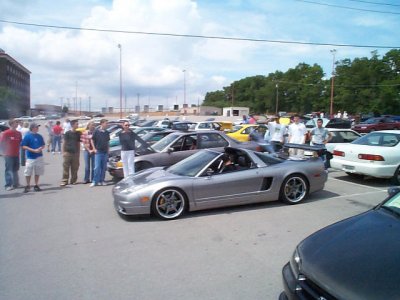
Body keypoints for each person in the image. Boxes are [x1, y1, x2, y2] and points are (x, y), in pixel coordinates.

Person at [20, 123, 45, 193]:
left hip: (39, 156)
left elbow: (43, 145)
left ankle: (36, 185)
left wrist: (41, 148)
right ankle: (28, 185)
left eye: (38, 127)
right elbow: (23, 146)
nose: (38, 128)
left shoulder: (39, 136)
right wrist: (33, 150)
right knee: (28, 172)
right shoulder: (27, 136)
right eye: (36, 127)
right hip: (30, 157)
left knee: (38, 171)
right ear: (33, 128)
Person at [0, 119, 22, 190]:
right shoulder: (6, 133)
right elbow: (1, 143)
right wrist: (3, 153)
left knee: (15, 169)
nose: (17, 124)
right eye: (16, 122)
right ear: (12, 124)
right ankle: (8, 185)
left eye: (17, 122)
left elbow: (21, 143)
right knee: (9, 170)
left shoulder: (19, 133)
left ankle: (16, 184)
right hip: (8, 155)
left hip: (16, 154)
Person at [60, 120, 81, 186]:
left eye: (78, 124)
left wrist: (78, 153)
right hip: (68, 153)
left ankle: (73, 180)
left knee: (75, 168)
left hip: (75, 153)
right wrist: (63, 152)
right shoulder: (67, 133)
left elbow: (78, 143)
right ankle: (65, 181)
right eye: (76, 124)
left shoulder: (78, 133)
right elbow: (64, 143)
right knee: (66, 167)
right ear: (72, 125)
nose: (78, 125)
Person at [90, 119, 110, 187]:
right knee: (97, 167)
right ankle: (95, 181)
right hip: (98, 152)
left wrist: (108, 150)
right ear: (101, 124)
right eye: (106, 123)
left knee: (103, 167)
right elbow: (92, 140)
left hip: (105, 152)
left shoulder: (107, 132)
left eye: (107, 123)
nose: (107, 124)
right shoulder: (96, 131)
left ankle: (102, 180)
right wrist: (94, 148)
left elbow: (108, 142)